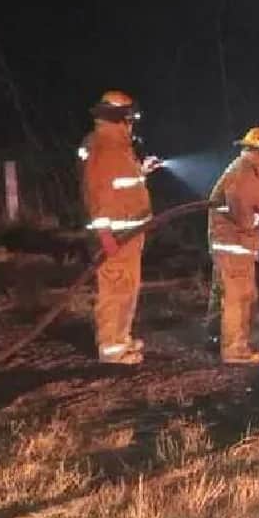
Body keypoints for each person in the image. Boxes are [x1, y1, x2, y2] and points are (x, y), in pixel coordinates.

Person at [79, 90, 162, 364]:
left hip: (130, 234)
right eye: (130, 118)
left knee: (127, 288)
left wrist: (142, 171)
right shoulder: (103, 145)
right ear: (121, 118)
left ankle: (120, 337)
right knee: (114, 290)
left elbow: (119, 185)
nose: (133, 123)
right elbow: (97, 193)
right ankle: (111, 348)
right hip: (115, 236)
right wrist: (105, 235)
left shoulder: (118, 147)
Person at [205, 126, 259, 364]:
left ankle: (214, 339)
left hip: (233, 246)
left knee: (227, 293)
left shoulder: (248, 172)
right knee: (239, 299)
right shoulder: (244, 174)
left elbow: (257, 199)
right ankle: (235, 351)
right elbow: (245, 217)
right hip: (235, 246)